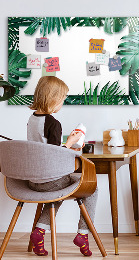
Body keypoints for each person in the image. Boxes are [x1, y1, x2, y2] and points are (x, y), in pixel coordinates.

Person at [27, 76, 97, 257]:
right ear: (52, 98)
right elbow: (55, 155)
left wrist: (66, 144)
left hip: (33, 180)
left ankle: (39, 232)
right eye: (63, 98)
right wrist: (71, 142)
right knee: (92, 188)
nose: (63, 102)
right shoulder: (53, 123)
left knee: (57, 191)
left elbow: (44, 149)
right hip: (50, 180)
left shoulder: (32, 119)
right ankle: (83, 234)